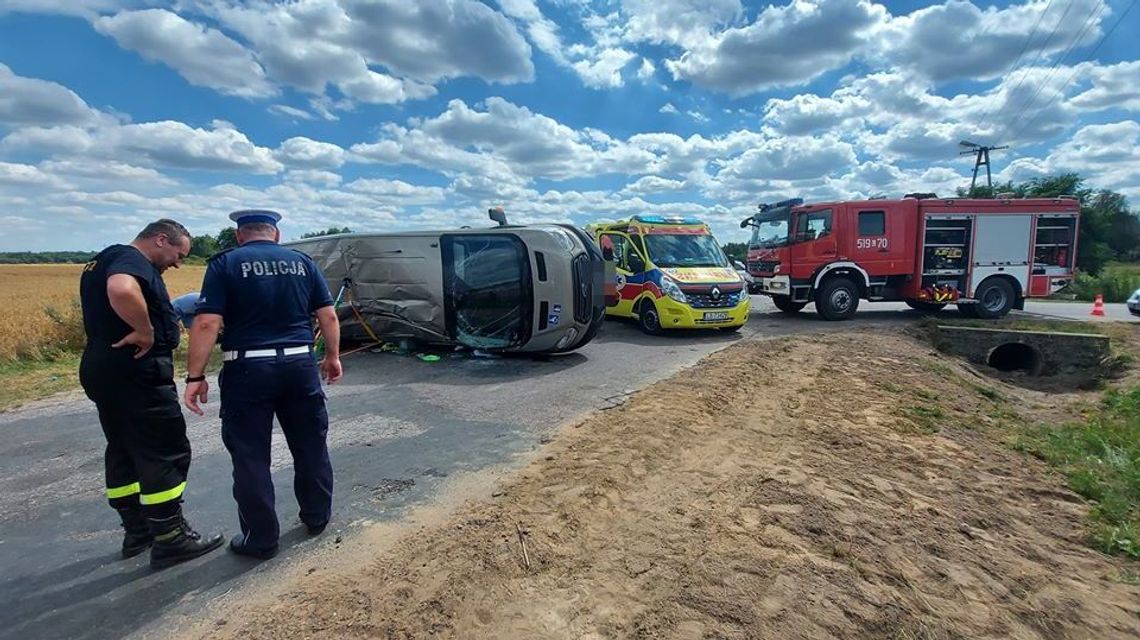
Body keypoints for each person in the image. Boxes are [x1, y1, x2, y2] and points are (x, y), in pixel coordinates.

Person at [183, 209, 342, 560]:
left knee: (251, 455)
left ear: (239, 236)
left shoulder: (226, 264)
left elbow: (207, 322)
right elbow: (327, 314)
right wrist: (332, 356)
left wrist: (195, 376)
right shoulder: (303, 263)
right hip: (300, 364)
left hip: (248, 368)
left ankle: (261, 539)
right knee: (310, 444)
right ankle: (317, 516)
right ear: (276, 235)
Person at [78, 219, 224, 569]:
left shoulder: (102, 258)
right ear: (161, 239)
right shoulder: (131, 261)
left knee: (123, 448)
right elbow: (122, 289)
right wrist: (144, 329)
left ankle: (138, 532)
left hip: (103, 367)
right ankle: (171, 538)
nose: (177, 263)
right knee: (164, 450)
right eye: (178, 254)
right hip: (137, 371)